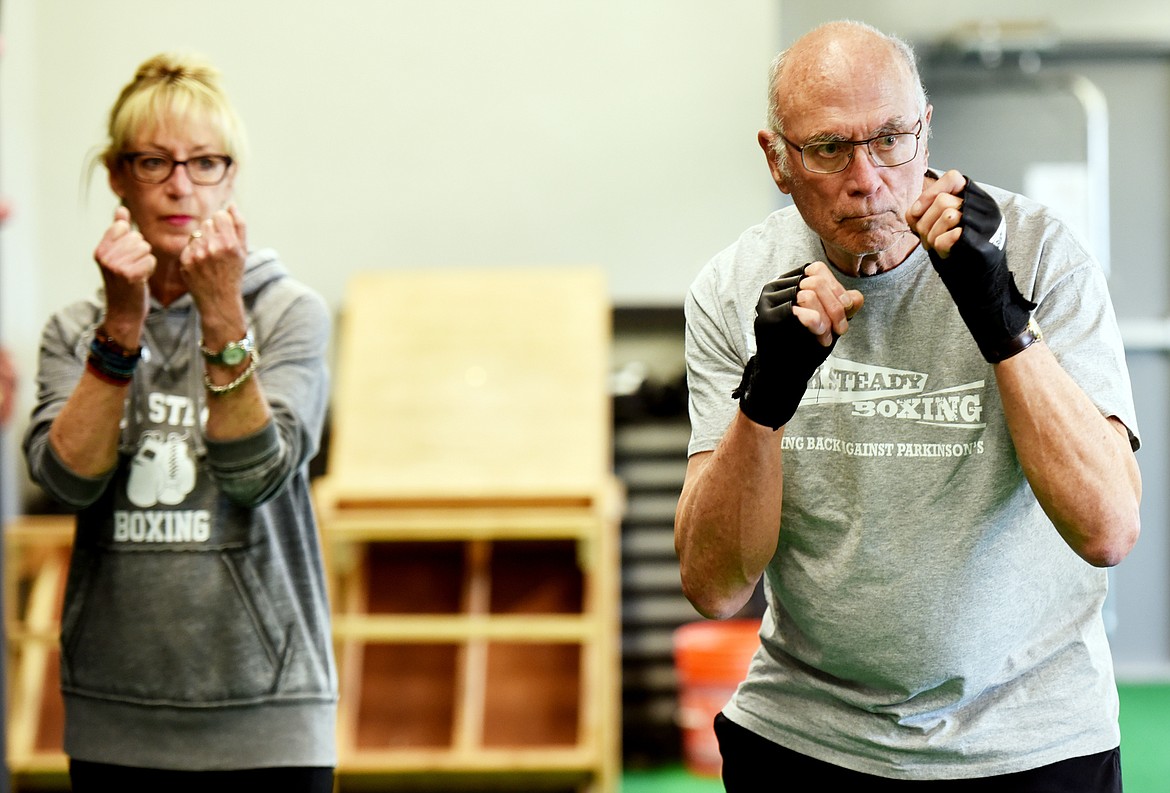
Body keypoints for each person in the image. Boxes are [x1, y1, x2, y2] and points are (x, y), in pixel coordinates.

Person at [675, 20, 1140, 792]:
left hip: (1031, 738)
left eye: (891, 138)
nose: (867, 178)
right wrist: (767, 396)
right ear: (778, 160)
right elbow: (714, 583)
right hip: (810, 733)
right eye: (828, 148)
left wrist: (1005, 324)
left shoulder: (1042, 255)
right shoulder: (733, 288)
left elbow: (1109, 528)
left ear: (927, 131)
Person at [23, 53, 336, 792]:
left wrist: (222, 311)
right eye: (154, 161)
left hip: (269, 718)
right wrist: (122, 328)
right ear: (116, 176)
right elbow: (67, 483)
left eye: (204, 163)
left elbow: (256, 474)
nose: (179, 186)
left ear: (231, 177)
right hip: (115, 718)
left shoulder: (289, 312)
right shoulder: (75, 328)